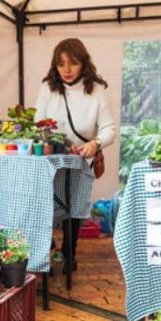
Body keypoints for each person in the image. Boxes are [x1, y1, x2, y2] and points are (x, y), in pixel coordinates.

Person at [34, 38, 115, 270]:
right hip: (52, 158)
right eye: (61, 64)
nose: (67, 70)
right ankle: (46, 246)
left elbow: (109, 129)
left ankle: (70, 254)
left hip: (81, 159)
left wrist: (95, 143)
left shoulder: (96, 90)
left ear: (83, 63)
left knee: (74, 207)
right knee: (45, 203)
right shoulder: (48, 88)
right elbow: (37, 123)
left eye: (73, 63)